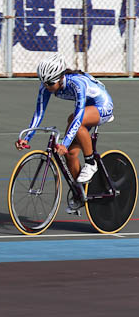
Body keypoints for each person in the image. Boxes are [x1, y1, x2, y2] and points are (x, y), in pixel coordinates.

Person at [15, 53, 114, 213]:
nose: (46, 86)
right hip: (86, 109)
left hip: (102, 105)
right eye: (43, 82)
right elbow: (39, 113)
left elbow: (79, 115)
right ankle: (79, 194)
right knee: (70, 155)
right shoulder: (46, 86)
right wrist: (27, 138)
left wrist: (65, 143)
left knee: (75, 120)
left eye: (49, 83)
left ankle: (91, 163)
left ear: (60, 77)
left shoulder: (77, 83)